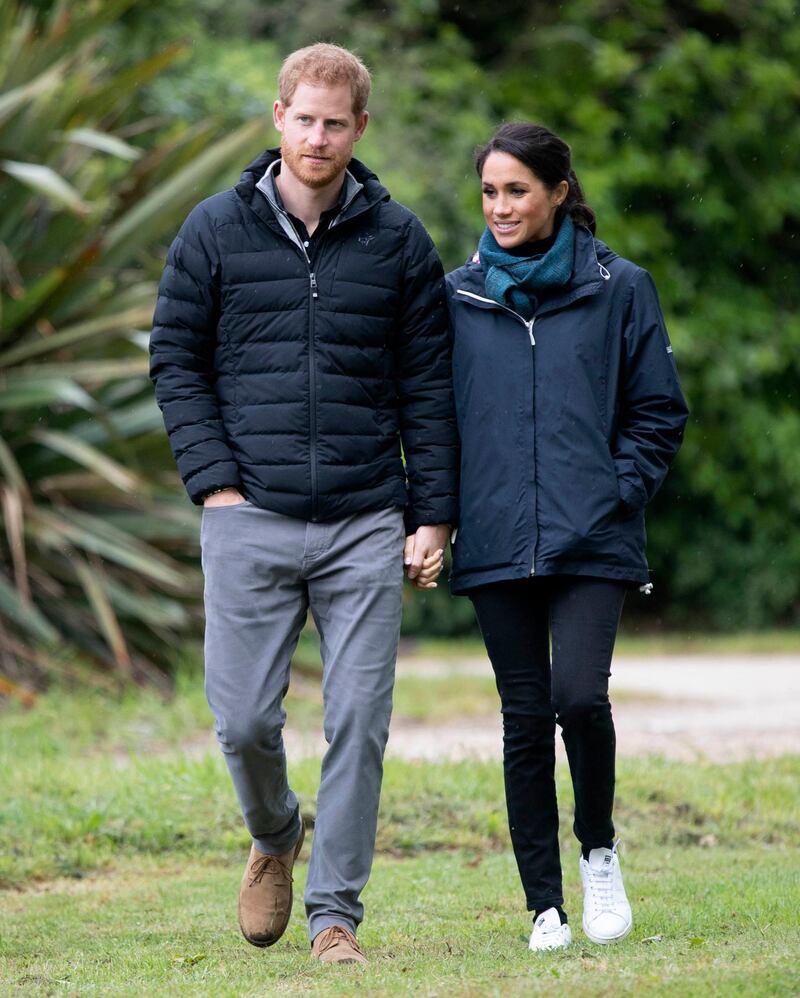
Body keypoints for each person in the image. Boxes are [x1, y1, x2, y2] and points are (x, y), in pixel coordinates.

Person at [149, 43, 457, 965]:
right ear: (276, 118)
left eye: (336, 122)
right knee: (243, 722)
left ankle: (335, 918)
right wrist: (217, 483)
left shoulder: (399, 241)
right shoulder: (213, 229)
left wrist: (430, 515)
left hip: (366, 513)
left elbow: (429, 388)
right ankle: (277, 833)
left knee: (360, 719)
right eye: (304, 118)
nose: (318, 137)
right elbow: (175, 360)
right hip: (250, 510)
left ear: (360, 129)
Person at [445, 122, 688, 952]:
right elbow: (434, 423)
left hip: (594, 534)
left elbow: (659, 411)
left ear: (558, 191)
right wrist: (441, 514)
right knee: (523, 719)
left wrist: (615, 492)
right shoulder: (459, 297)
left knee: (579, 698)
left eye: (517, 190)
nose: (502, 206)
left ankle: (599, 852)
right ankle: (542, 905)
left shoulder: (624, 288)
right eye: (489, 192)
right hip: (495, 537)